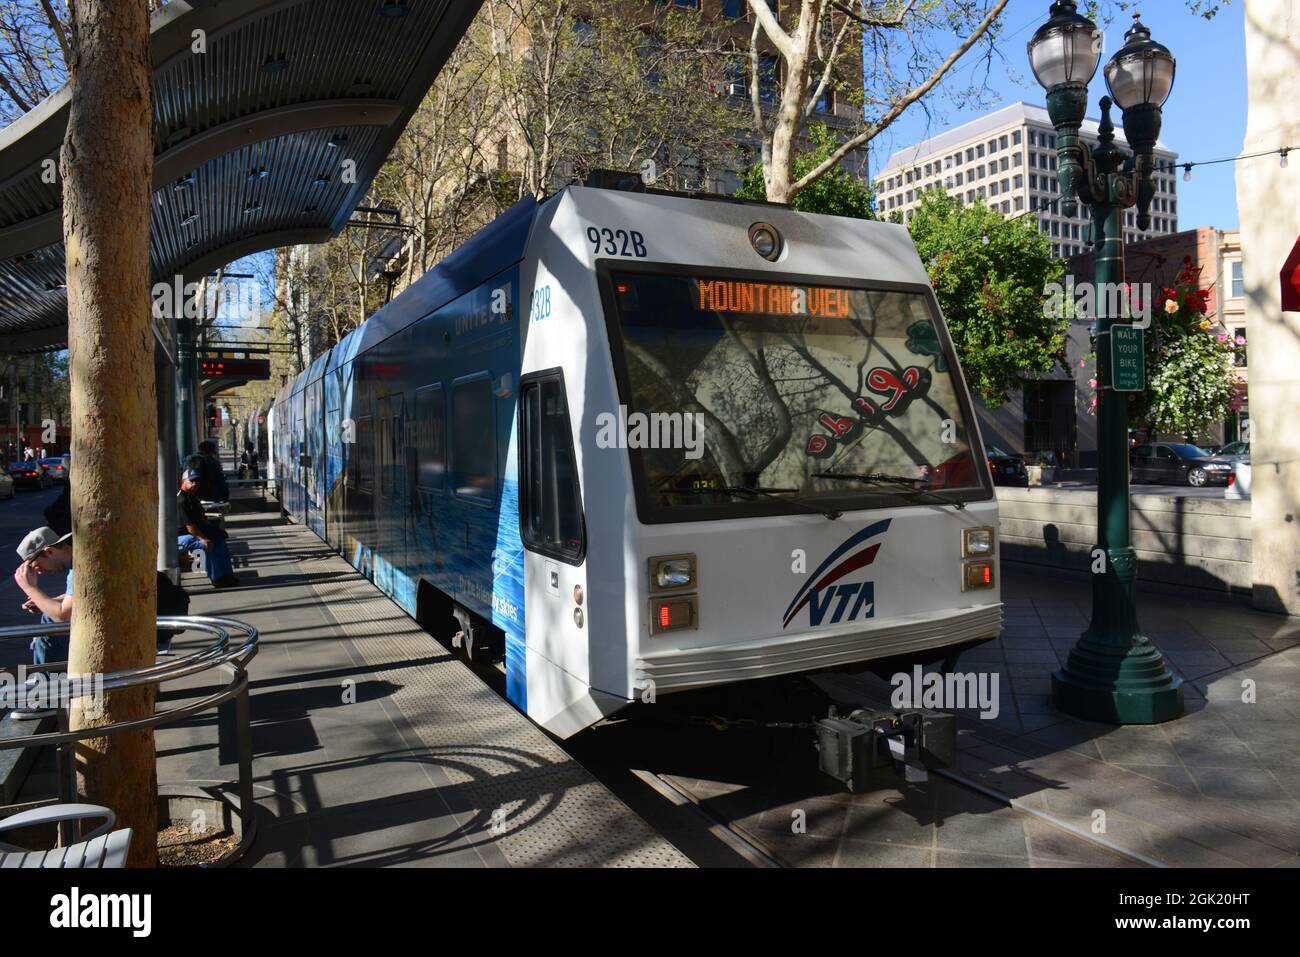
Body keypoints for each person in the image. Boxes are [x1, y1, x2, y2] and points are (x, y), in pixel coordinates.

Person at [9, 527, 74, 719]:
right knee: (47, 618)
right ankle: (45, 680)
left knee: (49, 626)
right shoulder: (77, 560)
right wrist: (45, 601)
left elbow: (63, 616)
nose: (39, 571)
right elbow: (75, 596)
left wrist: (30, 589)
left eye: (36, 565)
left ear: (49, 551)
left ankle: (49, 700)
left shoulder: (79, 566)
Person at [178, 467, 239, 587]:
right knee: (204, 545)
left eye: (197, 481)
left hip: (195, 531)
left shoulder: (192, 497)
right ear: (183, 482)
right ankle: (216, 578)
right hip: (183, 535)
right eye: (192, 481)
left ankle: (226, 574)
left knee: (220, 540)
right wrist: (203, 538)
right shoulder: (181, 500)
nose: (195, 484)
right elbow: (190, 526)